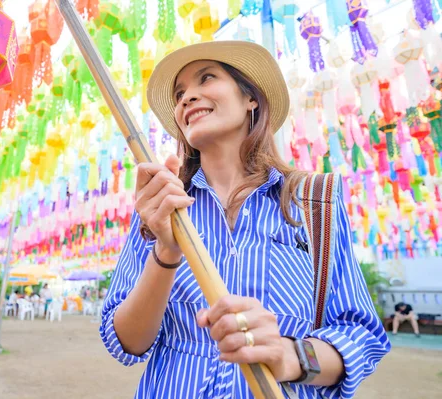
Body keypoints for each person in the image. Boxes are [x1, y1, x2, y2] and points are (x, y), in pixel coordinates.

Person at [99, 40, 391, 398]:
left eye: (206, 79)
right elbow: (125, 342)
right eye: (179, 94)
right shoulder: (160, 203)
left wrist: (291, 354)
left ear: (250, 98)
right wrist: (166, 251)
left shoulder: (314, 201)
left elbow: (360, 333)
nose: (187, 97)